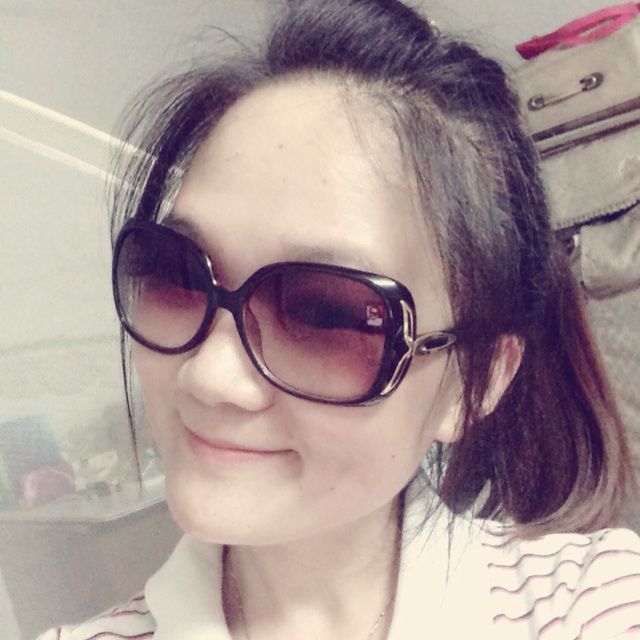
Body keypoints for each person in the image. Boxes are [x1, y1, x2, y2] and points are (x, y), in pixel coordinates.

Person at [39, 1, 640, 638]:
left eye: (326, 313)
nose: (208, 377)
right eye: (176, 274)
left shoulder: (596, 602)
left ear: (475, 378)